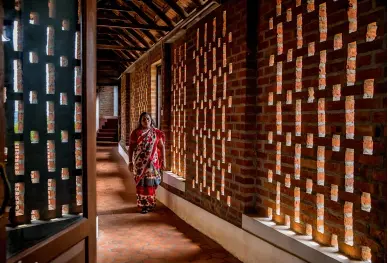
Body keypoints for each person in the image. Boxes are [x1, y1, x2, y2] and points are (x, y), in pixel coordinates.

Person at [128, 112, 166, 214]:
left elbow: (161, 147)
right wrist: (130, 162)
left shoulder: (156, 133)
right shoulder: (136, 133)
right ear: (140, 121)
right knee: (141, 184)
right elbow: (131, 147)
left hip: (152, 164)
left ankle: (150, 204)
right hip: (140, 164)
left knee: (150, 184)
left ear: (151, 120)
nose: (146, 121)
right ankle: (142, 204)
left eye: (148, 119)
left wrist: (164, 160)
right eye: (144, 119)